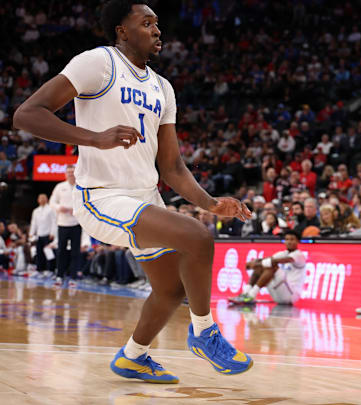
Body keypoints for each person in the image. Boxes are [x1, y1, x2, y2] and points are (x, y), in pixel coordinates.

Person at [13, 0, 253, 383]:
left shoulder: (163, 87)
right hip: (102, 196)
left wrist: (210, 202)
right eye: (147, 23)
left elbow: (171, 167)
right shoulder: (98, 62)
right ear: (122, 31)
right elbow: (27, 114)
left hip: (145, 197)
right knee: (198, 238)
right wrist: (94, 138)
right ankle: (205, 332)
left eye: (158, 23)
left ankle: (133, 357)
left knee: (170, 289)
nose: (158, 30)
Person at [230, 230, 305, 305]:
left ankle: (251, 295)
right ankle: (245, 293)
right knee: (262, 266)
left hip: (291, 294)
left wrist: (256, 264)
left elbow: (281, 260)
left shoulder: (299, 255)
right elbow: (267, 260)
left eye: (292, 239)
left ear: (298, 241)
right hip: (279, 294)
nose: (289, 242)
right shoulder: (283, 253)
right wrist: (255, 262)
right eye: (287, 239)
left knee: (271, 265)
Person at [49, 165, 82, 286]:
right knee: (61, 251)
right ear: (65, 174)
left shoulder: (80, 187)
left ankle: (73, 277)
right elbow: (52, 202)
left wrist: (76, 210)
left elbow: (85, 203)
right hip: (62, 224)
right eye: (68, 172)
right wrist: (59, 208)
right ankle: (59, 276)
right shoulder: (60, 187)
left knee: (75, 252)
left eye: (72, 172)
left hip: (76, 223)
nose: (70, 174)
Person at [29, 193, 55, 277]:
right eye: (40, 198)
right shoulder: (36, 211)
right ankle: (39, 270)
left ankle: (50, 270)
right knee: (39, 253)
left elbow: (54, 222)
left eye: (44, 198)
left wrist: (52, 233)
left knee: (48, 253)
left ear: (47, 199)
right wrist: (31, 233)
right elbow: (34, 223)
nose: (42, 199)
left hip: (48, 234)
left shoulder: (51, 209)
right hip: (39, 234)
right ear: (38, 200)